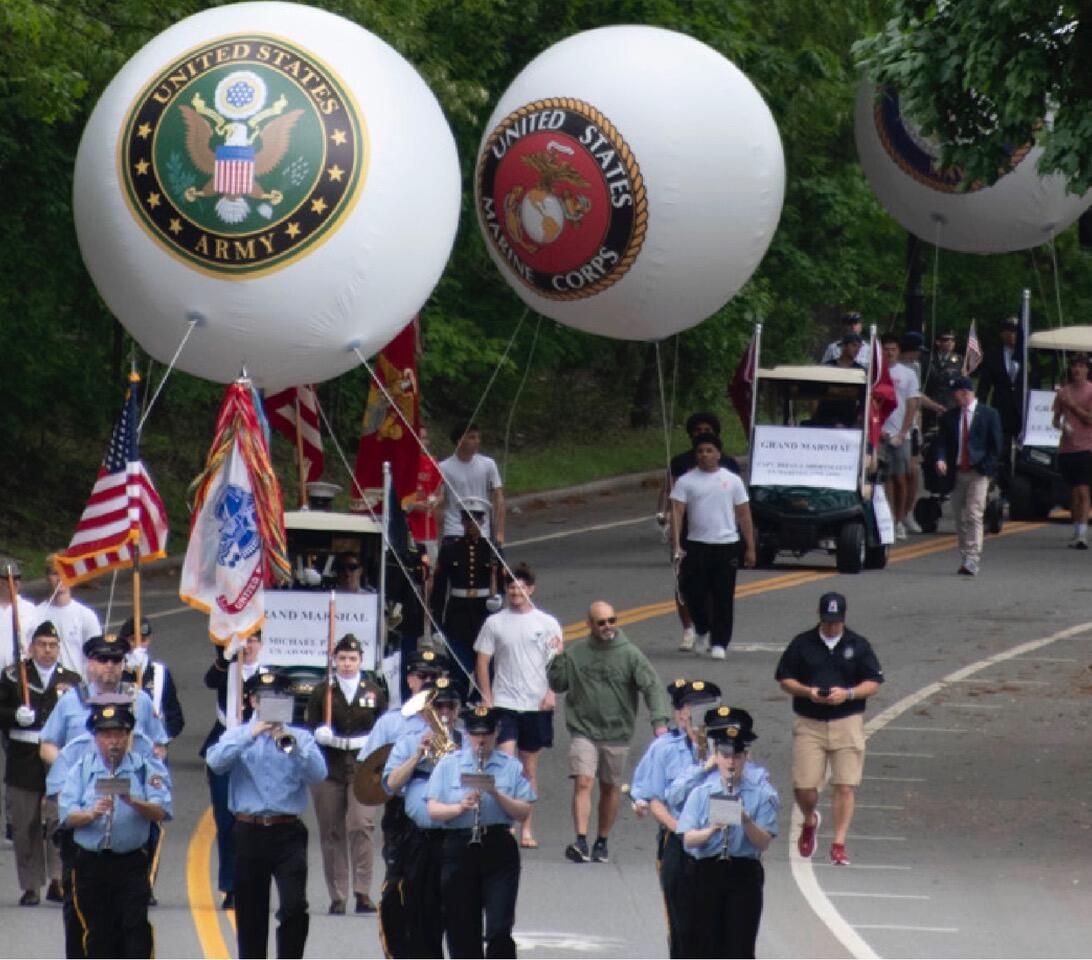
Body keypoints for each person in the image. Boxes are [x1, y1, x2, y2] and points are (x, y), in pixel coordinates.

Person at [205, 668, 327, 960]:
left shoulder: (299, 737)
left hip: (288, 832)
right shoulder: (237, 734)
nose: (271, 705)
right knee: (250, 912)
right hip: (249, 831)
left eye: (279, 700)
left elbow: (319, 774)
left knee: (295, 906)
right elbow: (216, 762)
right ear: (252, 701)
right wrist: (251, 734)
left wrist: (293, 747)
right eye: (264, 699)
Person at [547, 601, 671, 864]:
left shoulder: (630, 654)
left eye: (612, 621)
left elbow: (652, 687)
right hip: (583, 729)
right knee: (584, 781)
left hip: (617, 732)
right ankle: (580, 840)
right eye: (601, 622)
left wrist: (659, 721)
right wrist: (557, 657)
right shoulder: (577, 652)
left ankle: (601, 841)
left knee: (609, 787)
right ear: (589, 625)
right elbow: (558, 684)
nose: (607, 627)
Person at [775, 592, 884, 866]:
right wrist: (808, 691)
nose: (831, 626)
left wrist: (847, 693)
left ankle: (839, 842)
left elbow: (873, 681)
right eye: (827, 621)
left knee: (845, 784)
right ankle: (810, 818)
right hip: (809, 721)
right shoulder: (803, 643)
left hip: (847, 721)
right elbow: (785, 678)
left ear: (843, 619)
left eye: (835, 622)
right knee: (804, 786)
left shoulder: (858, 645)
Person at [58, 699, 171, 959]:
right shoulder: (82, 769)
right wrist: (90, 814)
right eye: (107, 735)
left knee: (135, 930)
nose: (114, 742)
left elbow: (162, 810)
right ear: (96, 738)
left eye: (119, 734)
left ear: (128, 737)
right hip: (91, 863)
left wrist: (134, 801)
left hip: (130, 862)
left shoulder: (144, 768)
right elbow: (67, 816)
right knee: (98, 933)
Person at [359, 648, 449, 957]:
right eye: (421, 676)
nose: (427, 681)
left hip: (445, 815)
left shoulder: (453, 720)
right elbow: (369, 774)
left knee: (437, 895)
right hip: (402, 814)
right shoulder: (391, 723)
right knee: (397, 890)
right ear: (409, 679)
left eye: (434, 676)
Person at [426, 704, 535, 959]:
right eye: (476, 734)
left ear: (496, 732)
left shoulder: (511, 766)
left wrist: (497, 794)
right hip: (459, 847)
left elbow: (523, 811)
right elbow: (433, 809)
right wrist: (459, 807)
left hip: (498, 845)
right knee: (462, 929)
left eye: (486, 733)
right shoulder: (449, 764)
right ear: (467, 734)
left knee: (499, 928)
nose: (481, 739)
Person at [676, 706, 779, 960]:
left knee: (740, 948)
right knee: (704, 946)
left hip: (743, 872)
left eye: (736, 756)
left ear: (746, 757)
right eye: (725, 755)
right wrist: (712, 829)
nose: (730, 762)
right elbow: (687, 839)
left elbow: (763, 842)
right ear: (716, 755)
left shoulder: (763, 793)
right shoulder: (702, 792)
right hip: (707, 870)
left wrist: (745, 820)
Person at [629, 678, 721, 958]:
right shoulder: (664, 748)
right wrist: (683, 832)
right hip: (679, 840)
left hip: (718, 843)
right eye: (687, 709)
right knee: (682, 927)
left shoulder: (727, 748)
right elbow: (653, 797)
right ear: (680, 714)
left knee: (717, 925)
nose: (691, 716)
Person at [474, 562, 561, 849]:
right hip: (505, 702)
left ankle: (527, 827)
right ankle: (504, 824)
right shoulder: (494, 623)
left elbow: (557, 663)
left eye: (521, 586)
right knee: (506, 760)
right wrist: (487, 696)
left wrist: (551, 692)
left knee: (529, 768)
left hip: (535, 704)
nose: (516, 591)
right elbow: (483, 661)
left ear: (531, 589)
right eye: (511, 586)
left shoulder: (547, 623)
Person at [0, 621, 79, 906]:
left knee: (59, 819)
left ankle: (58, 879)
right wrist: (12, 715)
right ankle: (31, 885)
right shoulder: (12, 677)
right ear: (31, 647)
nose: (47, 650)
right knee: (26, 822)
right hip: (23, 755)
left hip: (58, 755)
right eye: (42, 644)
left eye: (53, 645)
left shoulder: (71, 679)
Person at [382, 676, 462, 958]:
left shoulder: (467, 742)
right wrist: (418, 755)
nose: (443, 713)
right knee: (419, 915)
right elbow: (390, 784)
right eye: (437, 706)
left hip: (456, 839)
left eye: (449, 707)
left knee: (457, 916)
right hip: (419, 841)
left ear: (457, 710)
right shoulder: (408, 742)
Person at [307, 633, 386, 915]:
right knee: (331, 831)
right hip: (329, 769)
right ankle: (337, 895)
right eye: (342, 658)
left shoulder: (373, 691)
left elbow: (383, 728)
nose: (347, 663)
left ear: (361, 661)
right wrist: (320, 733)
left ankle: (362, 892)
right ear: (335, 660)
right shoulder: (322, 692)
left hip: (363, 769)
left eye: (352, 658)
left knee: (361, 824)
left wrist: (366, 743)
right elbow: (311, 725)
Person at [656, 412, 741, 652]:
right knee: (687, 585)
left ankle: (714, 634)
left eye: (707, 429)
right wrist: (663, 516)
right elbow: (669, 491)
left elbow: (740, 505)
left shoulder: (729, 465)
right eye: (698, 430)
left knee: (717, 588)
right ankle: (689, 628)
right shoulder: (681, 463)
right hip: (688, 534)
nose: (703, 433)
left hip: (721, 536)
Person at [670, 433, 756, 660]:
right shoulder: (686, 481)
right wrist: (676, 544)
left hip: (726, 545)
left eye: (709, 451)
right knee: (693, 592)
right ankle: (702, 629)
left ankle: (720, 642)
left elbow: (744, 514)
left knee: (722, 596)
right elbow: (677, 513)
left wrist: (750, 547)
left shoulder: (732, 480)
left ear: (718, 454)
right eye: (700, 451)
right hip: (696, 545)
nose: (704, 455)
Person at [200, 632, 265, 909]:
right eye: (244, 640)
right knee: (227, 821)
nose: (248, 646)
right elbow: (209, 681)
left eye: (253, 640)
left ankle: (254, 884)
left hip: (261, 751)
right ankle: (230, 885)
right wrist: (226, 658)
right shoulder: (226, 667)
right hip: (226, 745)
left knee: (256, 821)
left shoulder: (271, 674)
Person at [41, 634, 168, 765]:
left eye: (116, 660)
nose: (110, 665)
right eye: (103, 659)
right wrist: (68, 773)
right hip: (84, 782)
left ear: (123, 664)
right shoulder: (70, 701)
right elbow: (48, 746)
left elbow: (159, 745)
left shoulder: (139, 700)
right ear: (90, 664)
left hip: (128, 780)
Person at [934, 376, 1004, 575]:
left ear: (964, 392)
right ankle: (965, 554)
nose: (953, 398)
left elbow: (995, 445)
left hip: (978, 472)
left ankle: (973, 556)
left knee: (974, 512)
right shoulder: (949, 417)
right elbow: (942, 442)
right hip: (957, 472)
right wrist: (941, 459)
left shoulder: (989, 414)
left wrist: (986, 466)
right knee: (960, 515)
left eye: (955, 393)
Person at [431, 509, 500, 699]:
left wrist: (498, 600)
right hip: (458, 616)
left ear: (483, 522)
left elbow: (501, 583)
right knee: (458, 668)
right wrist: (435, 624)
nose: (471, 525)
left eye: (476, 520)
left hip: (483, 615)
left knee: (485, 667)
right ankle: (457, 703)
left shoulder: (491, 549)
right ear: (462, 523)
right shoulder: (451, 549)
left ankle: (479, 703)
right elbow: (439, 590)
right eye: (468, 521)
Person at [435, 424, 505, 546]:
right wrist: (438, 531)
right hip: (454, 530)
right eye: (472, 438)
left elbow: (498, 498)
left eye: (478, 438)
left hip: (482, 531)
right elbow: (439, 503)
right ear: (459, 441)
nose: (477, 441)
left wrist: (500, 532)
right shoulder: (443, 468)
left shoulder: (488, 464)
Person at [879, 332, 921, 540]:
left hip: (900, 434)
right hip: (880, 432)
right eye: (886, 349)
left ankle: (900, 519)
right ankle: (887, 519)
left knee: (901, 478)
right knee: (883, 478)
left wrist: (904, 433)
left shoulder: (908, 374)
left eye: (893, 349)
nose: (889, 353)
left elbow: (912, 404)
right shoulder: (875, 373)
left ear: (898, 351)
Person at [976, 316, 1025, 492]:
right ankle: (1005, 487)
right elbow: (984, 385)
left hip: (1022, 411)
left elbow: (1034, 382)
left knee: (1024, 453)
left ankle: (1021, 487)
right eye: (1008, 331)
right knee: (1001, 451)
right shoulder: (993, 355)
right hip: (1001, 410)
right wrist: (979, 408)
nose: (1011, 335)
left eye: (1014, 332)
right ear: (1002, 334)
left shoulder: (1026, 354)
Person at [1052, 353, 1092, 548]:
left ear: (1087, 369)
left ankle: (1083, 535)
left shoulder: (1091, 391)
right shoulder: (1063, 392)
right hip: (1067, 449)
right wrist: (1061, 425)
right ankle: (1076, 530)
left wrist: (1073, 405)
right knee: (1072, 492)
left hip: (1086, 447)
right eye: (1074, 366)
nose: (1077, 369)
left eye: (1081, 366)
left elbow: (1089, 419)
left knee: (1083, 490)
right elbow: (1055, 419)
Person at [37, 558, 101, 675]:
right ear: (47, 578)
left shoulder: (86, 616)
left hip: (78, 687)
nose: (60, 578)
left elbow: (96, 657)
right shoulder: (37, 615)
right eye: (55, 573)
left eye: (64, 573)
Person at [403, 424, 443, 566]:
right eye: (418, 437)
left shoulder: (432, 463)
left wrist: (435, 501)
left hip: (428, 532)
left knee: (428, 573)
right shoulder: (401, 465)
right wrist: (413, 505)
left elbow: (440, 494)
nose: (421, 441)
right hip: (407, 533)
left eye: (424, 438)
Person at [0, 558, 37, 671]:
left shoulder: (30, 609)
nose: (15, 582)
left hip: (18, 676)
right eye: (10, 578)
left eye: (18, 578)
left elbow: (37, 643)